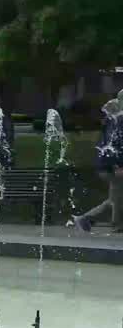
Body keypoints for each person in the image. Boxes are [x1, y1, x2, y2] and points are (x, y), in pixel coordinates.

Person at [70, 98, 123, 233]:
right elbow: (115, 144)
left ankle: (86, 219)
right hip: (112, 166)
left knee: (115, 198)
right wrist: (118, 165)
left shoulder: (113, 120)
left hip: (108, 164)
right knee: (116, 198)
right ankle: (116, 225)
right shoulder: (118, 120)